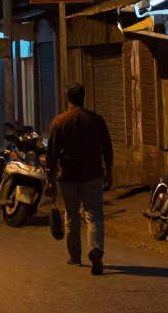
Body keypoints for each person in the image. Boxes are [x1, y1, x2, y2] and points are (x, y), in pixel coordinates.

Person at [45, 83, 114, 275]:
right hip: (93, 174)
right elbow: (107, 149)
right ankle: (95, 249)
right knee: (94, 215)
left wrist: (49, 179)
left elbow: (51, 154)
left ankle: (75, 256)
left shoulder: (59, 121)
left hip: (68, 175)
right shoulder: (96, 120)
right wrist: (109, 172)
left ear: (67, 98)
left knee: (71, 216)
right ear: (84, 97)